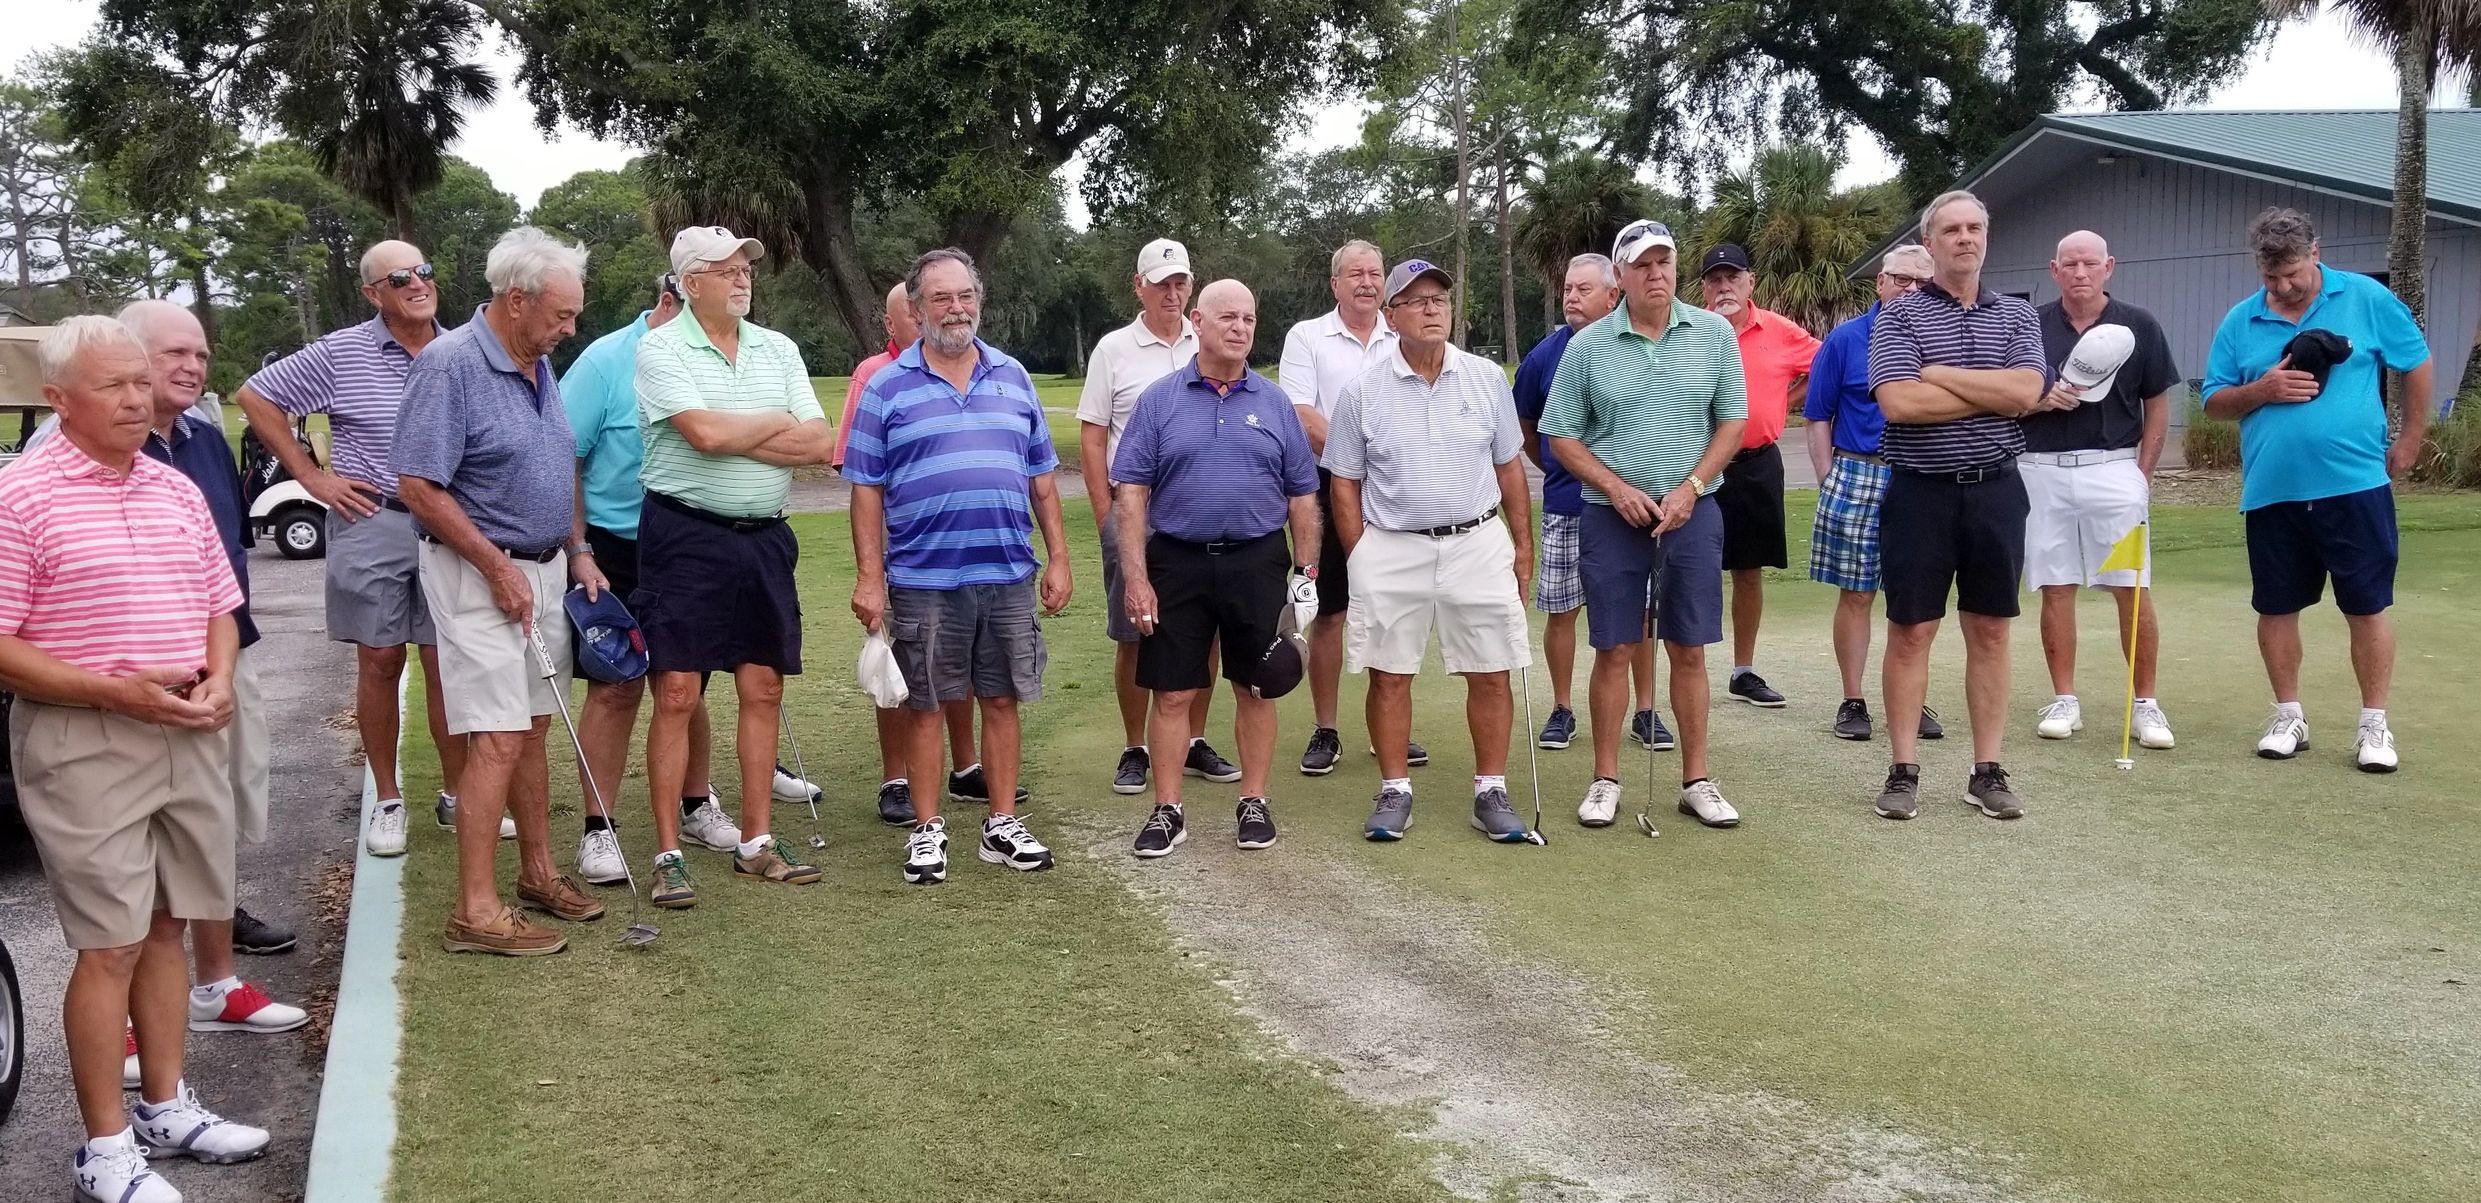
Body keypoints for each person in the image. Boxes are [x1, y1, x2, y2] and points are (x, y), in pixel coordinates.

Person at [0, 316, 270, 1203]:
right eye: (112, 385)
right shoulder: (21, 496)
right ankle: (105, 1147)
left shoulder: (172, 486)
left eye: (137, 382)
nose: (136, 397)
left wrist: (222, 676)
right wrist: (115, 690)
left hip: (187, 724)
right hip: (86, 738)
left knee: (168, 924)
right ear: (58, 399)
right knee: (110, 941)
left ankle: (164, 1106)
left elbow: (217, 604)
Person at [233, 239, 489, 857]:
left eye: (424, 270)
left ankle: (457, 796)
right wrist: (310, 475)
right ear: (373, 293)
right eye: (399, 277)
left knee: (442, 662)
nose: (417, 283)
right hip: (373, 518)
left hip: (449, 522)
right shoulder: (343, 351)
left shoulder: (463, 350)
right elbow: (255, 397)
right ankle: (388, 800)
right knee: (380, 659)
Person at [394, 226, 609, 955]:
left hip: (542, 568)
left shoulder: (535, 359)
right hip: (476, 572)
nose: (569, 328)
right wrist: (494, 566)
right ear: (515, 301)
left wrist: (577, 550)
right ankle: (474, 912)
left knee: (535, 725)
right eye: (561, 314)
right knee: (496, 734)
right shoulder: (450, 364)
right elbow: (418, 486)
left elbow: (559, 462)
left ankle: (538, 872)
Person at [846, 247, 1074, 884]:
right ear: (916, 310)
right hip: (923, 578)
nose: (956, 308)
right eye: (940, 298)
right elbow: (865, 488)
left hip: (1007, 572)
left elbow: (1042, 477)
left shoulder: (1014, 376)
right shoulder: (887, 387)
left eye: (965, 296)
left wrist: (1058, 558)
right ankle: (927, 830)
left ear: (980, 302)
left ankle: (1001, 825)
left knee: (1001, 699)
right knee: (925, 704)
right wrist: (870, 577)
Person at [634, 225, 836, 902]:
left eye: (745, 268)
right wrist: (764, 423)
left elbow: (819, 442)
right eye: (724, 270)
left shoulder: (777, 348)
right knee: (678, 695)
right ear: (690, 284)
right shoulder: (660, 349)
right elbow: (704, 434)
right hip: (684, 538)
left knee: (763, 690)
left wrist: (732, 434)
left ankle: (756, 841)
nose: (742, 278)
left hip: (764, 540)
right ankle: (668, 852)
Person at [2201, 207, 2432, 772]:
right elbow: (2213, 402)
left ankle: (2373, 726)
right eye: (2270, 278)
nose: (2281, 288)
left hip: (2355, 486)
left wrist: (2411, 439)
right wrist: (2263, 388)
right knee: (2276, 607)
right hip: (2272, 491)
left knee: (2367, 606)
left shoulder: (2365, 299)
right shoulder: (2241, 319)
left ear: (2316, 254)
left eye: (2292, 275)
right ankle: (2289, 717)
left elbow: (2415, 363)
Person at [1541, 219, 1748, 834]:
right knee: (1614, 646)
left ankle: (1696, 780)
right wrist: (1615, 487)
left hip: (1692, 511)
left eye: (1665, 263)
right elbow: (1561, 434)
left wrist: (1691, 488)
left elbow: (1731, 423)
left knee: (1688, 646)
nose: (1657, 274)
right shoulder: (1589, 345)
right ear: (1621, 276)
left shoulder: (1712, 333)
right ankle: (1605, 779)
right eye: (1643, 265)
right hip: (1612, 515)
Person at [1322, 259, 1536, 843]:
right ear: (1392, 316)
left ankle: (1489, 789)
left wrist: (1522, 545)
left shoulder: (1486, 377)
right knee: (1390, 674)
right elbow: (1343, 478)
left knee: (1491, 671)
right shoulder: (1363, 390)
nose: (1432, 308)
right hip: (1391, 546)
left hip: (1477, 542)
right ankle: (1395, 788)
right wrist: (1359, 552)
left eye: (1439, 298)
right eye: (1416, 301)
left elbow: (1508, 465)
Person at [556, 273, 753, 885]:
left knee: (684, 679)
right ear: (671, 298)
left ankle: (696, 804)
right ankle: (599, 830)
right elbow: (565, 458)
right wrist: (579, 548)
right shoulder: (605, 360)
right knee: (615, 688)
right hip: (616, 544)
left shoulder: (720, 352)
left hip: (693, 537)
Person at [1866, 190, 2055, 822]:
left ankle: (1986, 770)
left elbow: (2028, 391)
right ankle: (1902, 768)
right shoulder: (1899, 316)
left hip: (1997, 489)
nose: (1965, 238)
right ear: (1933, 240)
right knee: (1912, 629)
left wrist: (1940, 373)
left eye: (1976, 227)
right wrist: (1992, 393)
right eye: (1952, 230)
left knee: (1991, 629)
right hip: (1919, 491)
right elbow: (1899, 404)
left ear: (1986, 237)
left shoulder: (2018, 316)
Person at [1114, 279, 1321, 856]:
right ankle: (1167, 810)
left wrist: (1306, 573)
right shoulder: (1159, 399)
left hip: (1257, 561)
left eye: (1249, 319)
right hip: (1176, 562)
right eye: (1227, 317)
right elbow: (1130, 492)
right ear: (1198, 323)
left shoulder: (1274, 402)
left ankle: (1253, 801)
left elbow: (1303, 495)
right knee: (1174, 693)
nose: (1239, 328)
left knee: (1257, 688)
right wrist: (1136, 576)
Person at [1080, 238, 1242, 796]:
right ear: (1139, 286)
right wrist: (1108, 512)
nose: (1172, 293)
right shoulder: (1114, 349)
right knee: (1136, 633)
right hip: (1137, 515)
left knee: (1207, 634)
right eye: (1162, 284)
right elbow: (1094, 433)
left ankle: (1193, 738)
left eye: (1181, 284)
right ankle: (1135, 745)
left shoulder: (1210, 337)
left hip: (1201, 515)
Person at [2023, 231, 2182, 749]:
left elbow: (2157, 401)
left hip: (2114, 469)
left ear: (2109, 266)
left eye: (2090, 263)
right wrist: (2039, 400)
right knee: (2056, 584)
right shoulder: (2031, 324)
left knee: (2130, 585)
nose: (2080, 273)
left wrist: (2143, 471)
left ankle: (2146, 704)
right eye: (2069, 264)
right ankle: (2065, 698)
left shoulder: (2140, 323)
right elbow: (2010, 392)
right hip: (2041, 470)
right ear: (2054, 269)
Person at [837, 281, 983, 825]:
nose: (936, 317)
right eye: (911, 313)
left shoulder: (975, 366)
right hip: (909, 559)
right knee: (902, 674)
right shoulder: (873, 377)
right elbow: (859, 476)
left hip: (970, 558)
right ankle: (895, 777)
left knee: (965, 667)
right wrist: (870, 572)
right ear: (896, 321)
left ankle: (966, 767)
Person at [1277, 239, 1425, 774]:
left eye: (1375, 273)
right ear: (1335, 283)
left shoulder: (1401, 333)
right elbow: (1299, 412)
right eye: (1355, 274)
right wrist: (1359, 454)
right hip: (1325, 487)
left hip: (1395, 492)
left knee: (1394, 608)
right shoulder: (1307, 337)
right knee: (1332, 611)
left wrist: (1381, 461)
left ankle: (1390, 727)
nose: (1367, 282)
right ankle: (1327, 729)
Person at [1511, 253, 1656, 752]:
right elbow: (1526, 427)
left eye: (1583, 289)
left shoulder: (1638, 346)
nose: (1571, 297)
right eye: (1568, 289)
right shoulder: (1544, 356)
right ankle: (1562, 707)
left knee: (1638, 611)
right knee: (1562, 608)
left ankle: (1645, 709)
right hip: (1569, 504)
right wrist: (1557, 465)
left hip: (1636, 506)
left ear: (1613, 294)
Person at [1802, 244, 1945, 742]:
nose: (1910, 290)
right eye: (1901, 280)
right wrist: (1827, 476)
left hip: (1923, 476)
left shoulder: (1943, 336)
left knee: (1916, 600)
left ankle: (1910, 699)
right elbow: (1817, 414)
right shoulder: (1844, 340)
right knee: (1858, 593)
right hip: (1858, 472)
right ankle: (1853, 699)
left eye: (1921, 283)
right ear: (1880, 283)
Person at [1696, 242, 1821, 708]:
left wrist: (1782, 403)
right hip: (1694, 463)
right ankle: (1688, 669)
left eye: (1732, 277)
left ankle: (1742, 671)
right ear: (1704, 287)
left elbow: (1824, 366)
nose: (1723, 286)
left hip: (1755, 465)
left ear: (1750, 282)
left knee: (1748, 571)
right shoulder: (1688, 329)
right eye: (1714, 279)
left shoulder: (1780, 331)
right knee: (1689, 567)